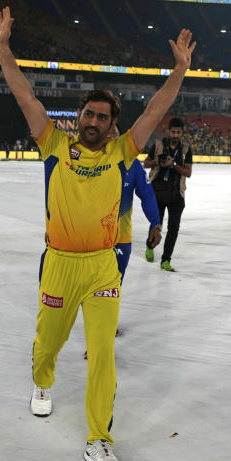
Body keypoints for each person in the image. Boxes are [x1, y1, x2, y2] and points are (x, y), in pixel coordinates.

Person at [0, 6, 194, 461]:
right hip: (60, 263)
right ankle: (42, 382)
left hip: (103, 265)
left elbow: (156, 109)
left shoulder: (124, 152)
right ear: (79, 116)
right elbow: (24, 95)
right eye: (88, 113)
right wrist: (3, 50)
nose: (93, 121)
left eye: (102, 117)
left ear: (112, 125)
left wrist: (179, 71)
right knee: (48, 344)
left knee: (103, 354)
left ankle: (98, 439)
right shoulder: (54, 145)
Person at [84, 123, 162, 358]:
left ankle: (100, 338)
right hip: (89, 239)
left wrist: (155, 223)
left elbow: (147, 195)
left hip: (120, 241)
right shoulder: (86, 162)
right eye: (107, 135)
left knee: (110, 289)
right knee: (93, 290)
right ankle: (101, 330)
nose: (111, 139)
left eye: (115, 135)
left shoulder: (132, 164)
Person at [142, 117, 193, 272]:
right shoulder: (158, 144)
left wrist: (174, 164)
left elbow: (188, 172)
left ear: (181, 132)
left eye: (178, 132)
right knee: (156, 224)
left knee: (173, 228)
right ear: (168, 131)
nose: (175, 135)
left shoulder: (185, 149)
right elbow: (145, 163)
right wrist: (158, 161)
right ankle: (150, 246)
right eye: (173, 131)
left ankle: (165, 261)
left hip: (176, 193)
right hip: (157, 191)